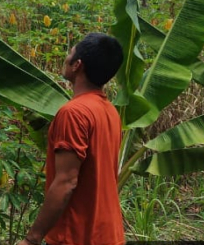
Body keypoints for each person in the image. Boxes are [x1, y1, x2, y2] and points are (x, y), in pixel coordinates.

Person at [17, 33, 125, 245]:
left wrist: (32, 239)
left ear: (77, 65)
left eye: (70, 53)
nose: (66, 57)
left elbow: (66, 182)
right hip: (109, 235)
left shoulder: (73, 113)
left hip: (77, 236)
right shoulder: (110, 111)